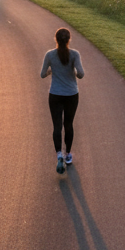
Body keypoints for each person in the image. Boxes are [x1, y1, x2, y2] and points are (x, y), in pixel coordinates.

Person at [40, 28, 84, 173]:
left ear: (56, 39)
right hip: (71, 94)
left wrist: (51, 71)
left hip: (55, 94)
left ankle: (59, 154)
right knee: (69, 124)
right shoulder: (75, 54)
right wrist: (74, 72)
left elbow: (42, 74)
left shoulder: (50, 55)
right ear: (69, 39)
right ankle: (68, 155)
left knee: (57, 125)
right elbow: (81, 74)